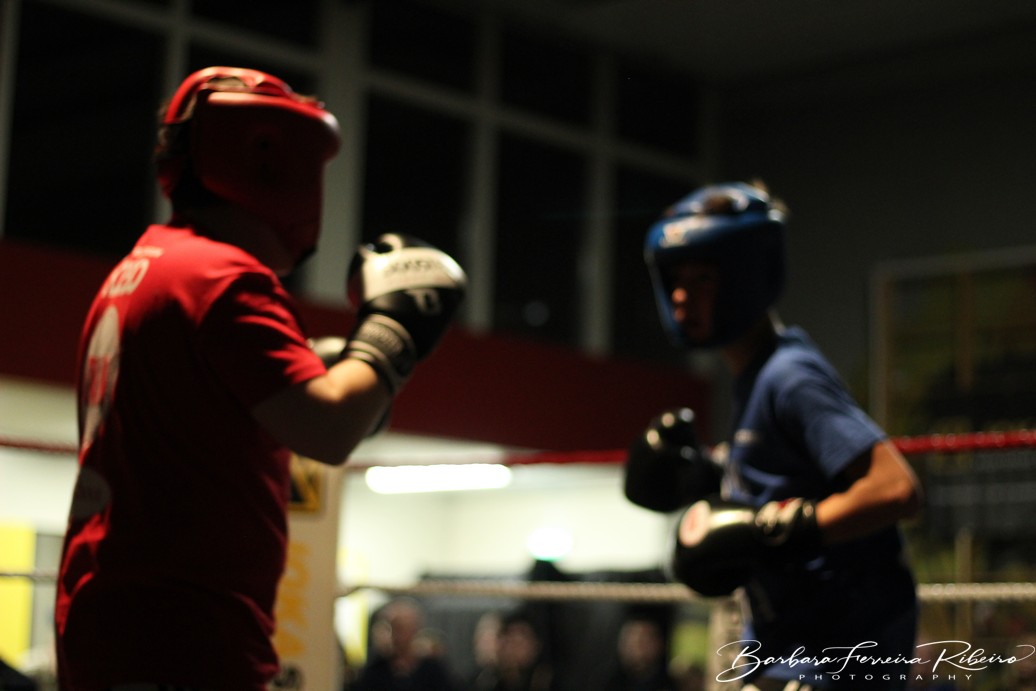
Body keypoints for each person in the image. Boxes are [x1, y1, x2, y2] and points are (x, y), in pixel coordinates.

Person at [54, 67, 466, 691]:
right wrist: (396, 326)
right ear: (267, 156)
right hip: (182, 634)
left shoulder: (141, 270)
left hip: (116, 622)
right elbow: (329, 427)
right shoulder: (222, 278)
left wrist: (330, 365)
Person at [624, 181, 922, 690]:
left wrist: (776, 529)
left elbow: (896, 488)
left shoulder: (790, 378)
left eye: (702, 278)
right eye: (675, 278)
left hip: (835, 653)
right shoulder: (755, 379)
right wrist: (709, 477)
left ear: (745, 276)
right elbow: (784, 485)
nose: (681, 296)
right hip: (784, 645)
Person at [352, 597, 460, 690]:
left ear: (416, 629)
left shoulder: (433, 669)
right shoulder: (376, 669)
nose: (400, 636)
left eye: (406, 628)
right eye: (396, 628)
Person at [603, 615, 677, 691]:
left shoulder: (673, 683)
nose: (632, 648)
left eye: (641, 641)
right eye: (627, 641)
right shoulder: (608, 682)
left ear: (659, 644)